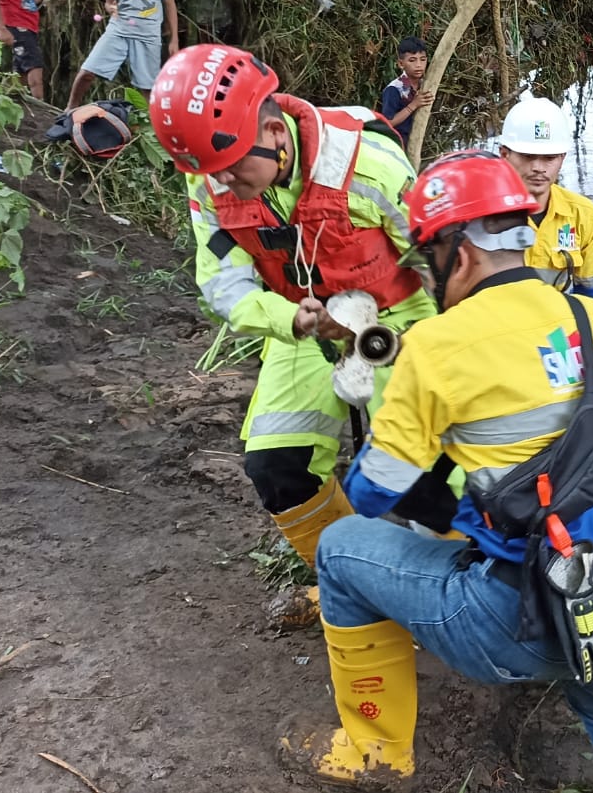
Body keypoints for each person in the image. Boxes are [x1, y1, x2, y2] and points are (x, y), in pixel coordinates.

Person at [284, 150, 593, 792]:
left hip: (514, 618)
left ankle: (372, 751)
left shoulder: (434, 346)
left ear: (462, 253)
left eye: (428, 262)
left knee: (339, 550)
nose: (427, 280)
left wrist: (412, 418)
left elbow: (370, 494)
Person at [147, 43, 435, 579]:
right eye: (212, 173)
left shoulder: (368, 165)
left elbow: (439, 258)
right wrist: (292, 321)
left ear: (276, 133)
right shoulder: (211, 173)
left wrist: (447, 351)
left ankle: (465, 580)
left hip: (399, 318)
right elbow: (223, 284)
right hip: (302, 325)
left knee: (433, 473)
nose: (222, 184)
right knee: (278, 468)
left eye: (232, 170)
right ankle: (360, 580)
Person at [498, 94, 593, 299]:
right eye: (528, 156)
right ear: (504, 155)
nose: (539, 168)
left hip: (558, 330)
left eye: (549, 158)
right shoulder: (481, 217)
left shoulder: (581, 215)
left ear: (562, 158)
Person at [376, 36, 432, 148]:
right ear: (401, 64)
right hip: (395, 146)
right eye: (412, 60)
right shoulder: (394, 89)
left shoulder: (426, 85)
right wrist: (413, 105)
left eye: (423, 59)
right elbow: (387, 123)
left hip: (418, 144)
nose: (419, 65)